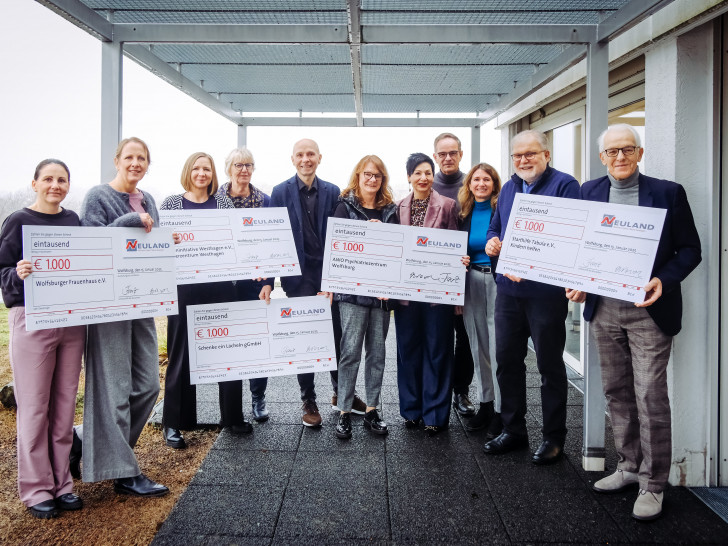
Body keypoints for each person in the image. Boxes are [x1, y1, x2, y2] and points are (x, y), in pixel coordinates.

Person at [566, 124, 701, 521]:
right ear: (602, 157)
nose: (620, 157)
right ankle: (627, 467)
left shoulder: (667, 192)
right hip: (603, 308)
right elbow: (577, 248)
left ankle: (653, 484)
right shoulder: (587, 192)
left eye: (627, 149)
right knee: (616, 391)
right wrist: (577, 283)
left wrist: (665, 278)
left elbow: (690, 249)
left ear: (640, 154)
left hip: (649, 308)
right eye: (612, 151)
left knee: (649, 395)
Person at [79, 137, 168, 496]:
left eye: (142, 158)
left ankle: (84, 441)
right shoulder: (98, 197)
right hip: (109, 307)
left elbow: (153, 249)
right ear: (117, 160)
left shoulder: (150, 201)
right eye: (129, 157)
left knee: (148, 385)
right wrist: (133, 219)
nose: (136, 163)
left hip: (141, 304)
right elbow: (92, 243)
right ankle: (124, 472)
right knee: (114, 388)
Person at [483, 130, 578, 464]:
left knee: (549, 364)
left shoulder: (565, 186)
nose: (523, 160)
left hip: (545, 293)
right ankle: (514, 429)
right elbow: (495, 228)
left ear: (546, 155)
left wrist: (533, 261)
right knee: (507, 361)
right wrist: (492, 243)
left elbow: (570, 236)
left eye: (530, 154)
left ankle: (553, 437)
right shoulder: (508, 188)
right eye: (518, 155)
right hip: (509, 291)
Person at [0, 159, 85, 518]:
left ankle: (63, 482)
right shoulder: (18, 221)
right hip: (32, 321)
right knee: (34, 407)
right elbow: (1, 270)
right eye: (48, 179)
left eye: (61, 180)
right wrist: (17, 274)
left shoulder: (73, 221)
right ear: (34, 183)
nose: (55, 185)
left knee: (65, 405)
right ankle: (36, 489)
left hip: (71, 322)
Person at [161, 152, 255, 449]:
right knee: (181, 355)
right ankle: (175, 422)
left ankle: (232, 416)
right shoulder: (171, 204)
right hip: (184, 288)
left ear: (213, 174)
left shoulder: (223, 203)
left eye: (207, 169)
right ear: (188, 171)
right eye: (197, 168)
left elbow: (237, 240)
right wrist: (168, 240)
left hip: (221, 287)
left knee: (226, 350)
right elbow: (159, 247)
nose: (201, 173)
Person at [269, 138, 348, 427]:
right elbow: (272, 238)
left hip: (327, 275)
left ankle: (341, 394)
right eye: (300, 155)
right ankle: (308, 399)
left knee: (336, 335)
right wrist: (268, 279)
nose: (306, 159)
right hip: (298, 277)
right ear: (292, 159)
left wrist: (333, 278)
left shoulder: (332, 191)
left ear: (319, 157)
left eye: (310, 154)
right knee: (305, 340)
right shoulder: (279, 192)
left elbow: (340, 235)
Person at [395, 152, 468, 437]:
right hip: (406, 296)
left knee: (438, 352)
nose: (423, 178)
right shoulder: (397, 207)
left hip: (438, 295)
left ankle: (435, 414)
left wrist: (460, 261)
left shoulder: (449, 206)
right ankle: (411, 411)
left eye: (428, 172)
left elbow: (456, 246)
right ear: (409, 177)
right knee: (408, 351)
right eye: (417, 173)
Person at [331, 155, 398, 440]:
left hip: (382, 294)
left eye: (378, 176)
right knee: (350, 353)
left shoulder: (391, 211)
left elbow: (398, 251)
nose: (372, 180)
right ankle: (345, 411)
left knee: (377, 354)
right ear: (357, 176)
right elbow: (335, 248)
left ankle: (372, 410)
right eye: (367, 174)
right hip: (352, 293)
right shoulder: (343, 207)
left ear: (383, 180)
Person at [216, 147, 272, 422]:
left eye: (248, 164)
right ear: (229, 168)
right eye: (238, 165)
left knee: (257, 341)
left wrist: (270, 282)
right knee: (229, 343)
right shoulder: (214, 200)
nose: (244, 170)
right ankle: (230, 406)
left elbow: (273, 244)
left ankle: (258, 397)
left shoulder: (265, 201)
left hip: (254, 285)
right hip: (223, 285)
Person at [432, 132, 477, 418]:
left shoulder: (471, 185)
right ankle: (438, 390)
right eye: (442, 154)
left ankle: (461, 391)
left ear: (461, 154)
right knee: (438, 335)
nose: (447, 158)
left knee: (465, 336)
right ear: (435, 156)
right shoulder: (425, 184)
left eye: (453, 153)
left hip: (467, 272)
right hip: (432, 276)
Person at [457, 163, 502, 438]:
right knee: (478, 346)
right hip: (472, 280)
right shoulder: (464, 213)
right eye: (476, 179)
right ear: (470, 184)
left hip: (498, 282)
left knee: (498, 347)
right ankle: (486, 403)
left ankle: (501, 411)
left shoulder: (502, 211)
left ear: (494, 183)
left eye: (486, 179)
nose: (481, 184)